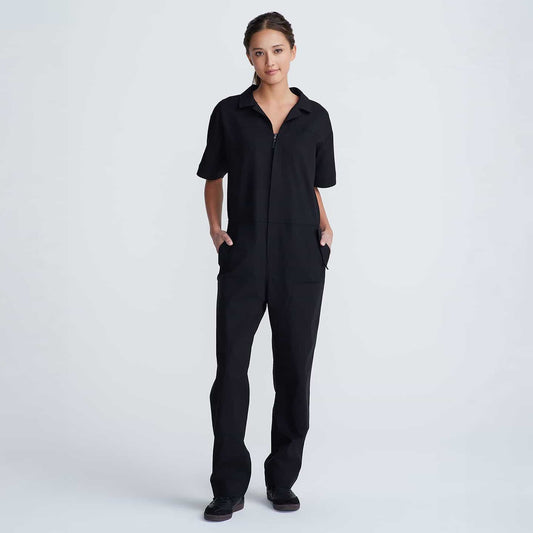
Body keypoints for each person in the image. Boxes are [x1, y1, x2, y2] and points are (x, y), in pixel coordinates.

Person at [196, 12, 336, 522]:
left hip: (301, 257)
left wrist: (326, 229)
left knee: (294, 371)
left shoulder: (315, 118)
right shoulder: (230, 114)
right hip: (245, 255)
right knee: (231, 371)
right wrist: (216, 229)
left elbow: (311, 184)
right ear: (249, 57)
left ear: (292, 52)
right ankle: (228, 486)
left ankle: (282, 480)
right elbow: (213, 177)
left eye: (277, 50)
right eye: (259, 52)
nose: (269, 60)